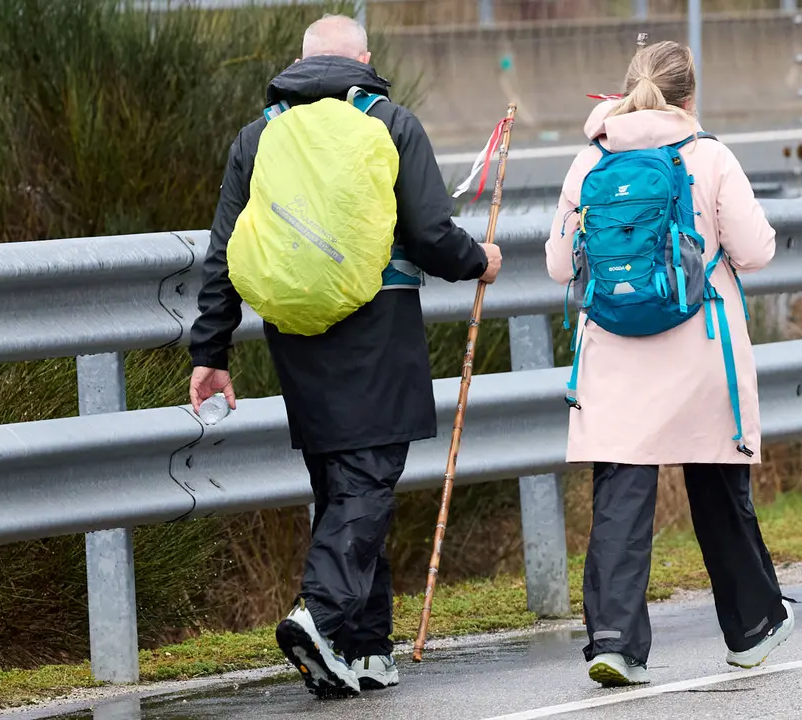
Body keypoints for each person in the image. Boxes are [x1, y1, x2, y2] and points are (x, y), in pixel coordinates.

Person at [188, 14, 502, 699]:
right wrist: (481, 259)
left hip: (294, 327)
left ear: (298, 64)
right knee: (371, 475)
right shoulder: (390, 121)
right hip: (378, 320)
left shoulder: (257, 135)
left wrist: (211, 349)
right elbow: (427, 233)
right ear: (364, 59)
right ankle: (320, 615)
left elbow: (223, 253)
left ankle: (364, 652)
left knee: (340, 479)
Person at [544, 40, 792, 687]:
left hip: (614, 356)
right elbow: (757, 249)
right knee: (718, 490)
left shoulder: (589, 160)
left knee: (621, 493)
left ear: (624, 91)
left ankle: (614, 641)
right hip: (700, 351)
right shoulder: (707, 154)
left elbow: (559, 265)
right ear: (690, 97)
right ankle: (751, 628)